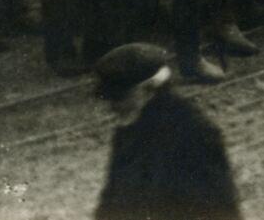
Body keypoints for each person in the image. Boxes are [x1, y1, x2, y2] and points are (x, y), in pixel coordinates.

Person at [90, 42, 242, 220]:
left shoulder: (193, 133)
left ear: (148, 89)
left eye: (119, 97)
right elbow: (111, 202)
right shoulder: (129, 129)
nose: (112, 106)